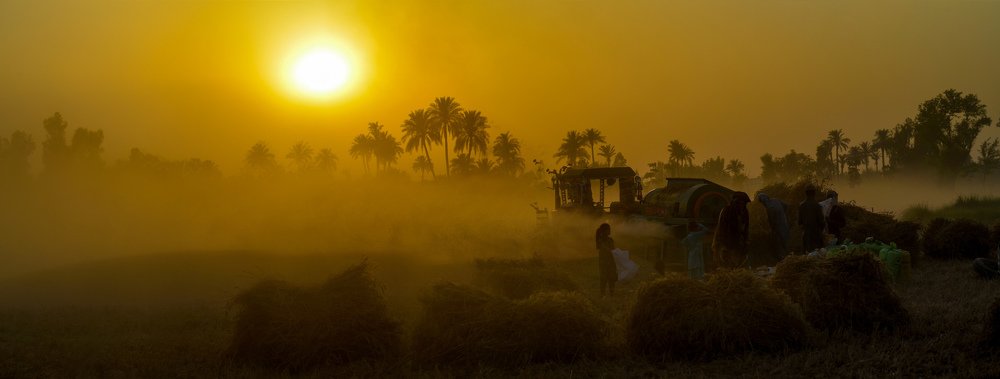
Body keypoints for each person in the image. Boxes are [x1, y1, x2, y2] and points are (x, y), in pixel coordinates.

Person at [712, 191, 751, 269]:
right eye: (741, 203)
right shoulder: (727, 211)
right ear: (736, 202)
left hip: (737, 240)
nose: (743, 205)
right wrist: (724, 244)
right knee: (725, 261)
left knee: (738, 262)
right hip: (725, 240)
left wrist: (746, 240)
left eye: (744, 203)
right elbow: (723, 228)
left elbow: (746, 227)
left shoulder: (745, 212)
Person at [756, 192, 790, 261]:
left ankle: (784, 258)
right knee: (785, 241)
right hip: (784, 223)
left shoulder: (768, 207)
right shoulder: (776, 200)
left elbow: (771, 221)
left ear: (763, 201)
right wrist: (783, 214)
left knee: (779, 243)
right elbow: (786, 206)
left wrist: (772, 230)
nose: (762, 203)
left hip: (778, 227)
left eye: (762, 202)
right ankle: (788, 256)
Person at [798, 185, 826, 253]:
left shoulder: (801, 206)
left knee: (806, 255)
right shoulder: (817, 206)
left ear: (806, 193)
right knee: (817, 255)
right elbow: (821, 222)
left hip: (806, 235)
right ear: (814, 193)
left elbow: (799, 222)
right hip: (816, 235)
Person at [595, 223, 617, 296]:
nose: (610, 231)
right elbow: (604, 248)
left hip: (610, 261)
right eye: (608, 229)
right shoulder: (600, 240)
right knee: (603, 278)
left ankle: (611, 294)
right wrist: (611, 251)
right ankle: (603, 294)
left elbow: (613, 249)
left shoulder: (610, 239)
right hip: (604, 261)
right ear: (604, 231)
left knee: (611, 278)